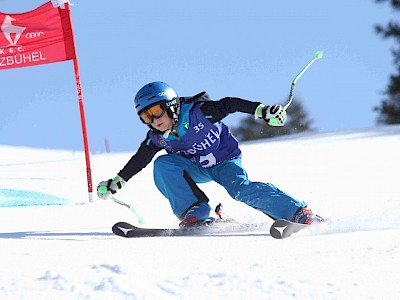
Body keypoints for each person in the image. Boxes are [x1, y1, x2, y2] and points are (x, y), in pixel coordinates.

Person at [97, 81, 323, 226]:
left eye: (156, 111)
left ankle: (297, 212)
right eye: (147, 117)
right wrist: (117, 182)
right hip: (196, 168)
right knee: (163, 165)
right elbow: (140, 159)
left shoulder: (199, 113)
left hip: (225, 161)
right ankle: (194, 210)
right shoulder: (156, 137)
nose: (155, 121)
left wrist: (262, 110)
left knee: (240, 191)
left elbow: (229, 104)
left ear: (172, 106)